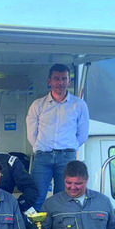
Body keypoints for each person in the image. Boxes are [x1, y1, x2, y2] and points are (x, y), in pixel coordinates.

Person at [26, 64, 89, 208]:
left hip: (67, 158)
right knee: (36, 197)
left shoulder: (79, 105)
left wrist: (68, 147)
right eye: (56, 79)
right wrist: (39, 148)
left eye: (63, 79)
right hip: (43, 157)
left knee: (65, 199)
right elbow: (31, 133)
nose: (60, 83)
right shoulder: (38, 105)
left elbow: (82, 134)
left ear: (69, 81)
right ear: (49, 81)